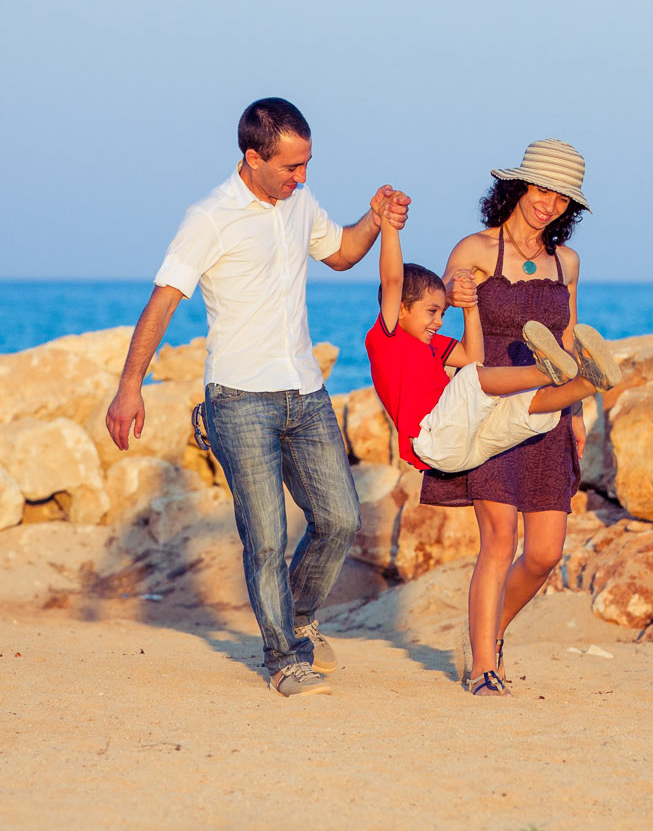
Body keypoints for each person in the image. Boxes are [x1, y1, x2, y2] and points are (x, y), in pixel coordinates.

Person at [105, 97, 407, 698]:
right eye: (291, 167)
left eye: (307, 165)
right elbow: (163, 301)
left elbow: (343, 252)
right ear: (252, 158)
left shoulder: (300, 203)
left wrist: (375, 219)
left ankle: (297, 618)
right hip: (239, 399)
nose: (302, 178)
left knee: (340, 520)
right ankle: (284, 659)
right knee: (265, 535)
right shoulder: (210, 217)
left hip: (306, 393)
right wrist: (129, 386)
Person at [423, 138, 610, 696]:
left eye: (561, 197)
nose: (548, 203)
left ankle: (490, 631)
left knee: (546, 551)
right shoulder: (476, 250)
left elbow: (569, 339)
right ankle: (484, 667)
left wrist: (575, 413)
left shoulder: (566, 262)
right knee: (499, 537)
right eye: (541, 188)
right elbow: (436, 321)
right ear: (517, 186)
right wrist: (460, 297)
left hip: (549, 406)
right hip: (492, 403)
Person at [364, 200, 620, 484]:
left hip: (470, 442)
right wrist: (390, 227)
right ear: (400, 309)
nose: (439, 321)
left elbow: (474, 358)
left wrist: (471, 307)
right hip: (434, 440)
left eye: (442, 313)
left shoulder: (433, 345)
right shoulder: (387, 339)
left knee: (528, 405)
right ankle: (545, 371)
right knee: (473, 379)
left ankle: (588, 382)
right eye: (432, 312)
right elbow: (392, 280)